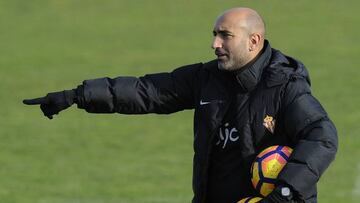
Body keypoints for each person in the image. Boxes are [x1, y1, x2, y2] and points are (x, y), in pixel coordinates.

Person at [23, 7, 338, 203]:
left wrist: (285, 192)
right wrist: (77, 95)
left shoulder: (285, 86)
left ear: (253, 41)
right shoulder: (206, 78)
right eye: (214, 35)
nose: (215, 44)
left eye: (225, 36)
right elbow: (147, 91)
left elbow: (321, 136)